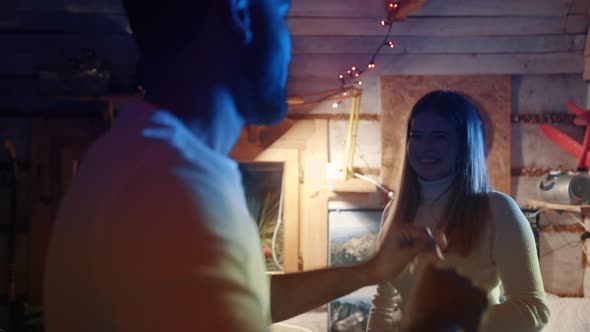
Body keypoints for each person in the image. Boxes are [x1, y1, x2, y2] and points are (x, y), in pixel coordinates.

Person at [42, 1, 440, 331]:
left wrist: (369, 272)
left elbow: (237, 297)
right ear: (239, 13)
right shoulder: (172, 186)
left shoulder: (139, 156)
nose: (289, 45)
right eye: (281, 16)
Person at [367, 90, 550, 332]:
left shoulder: (497, 210)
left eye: (439, 136)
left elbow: (533, 310)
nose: (424, 147)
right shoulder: (395, 210)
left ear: (464, 144)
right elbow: (383, 304)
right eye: (417, 135)